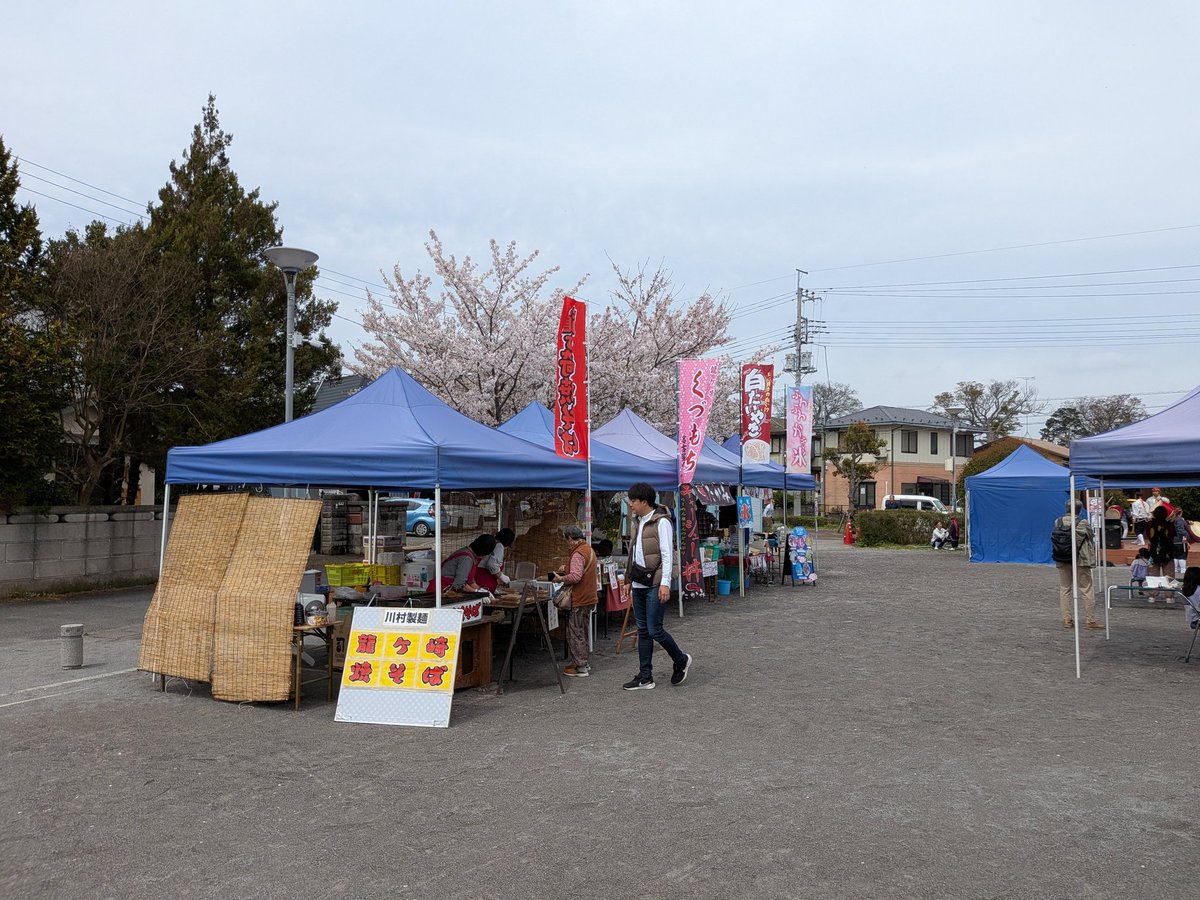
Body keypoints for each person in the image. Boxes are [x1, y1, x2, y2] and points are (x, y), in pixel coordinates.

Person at [622, 482, 692, 691]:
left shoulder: (661, 522)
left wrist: (665, 583)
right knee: (643, 630)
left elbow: (668, 555)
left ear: (644, 501)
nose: (631, 504)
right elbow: (633, 554)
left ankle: (680, 660)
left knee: (655, 630)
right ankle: (645, 676)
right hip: (639, 582)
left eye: (633, 500)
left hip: (655, 583)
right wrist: (628, 580)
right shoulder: (638, 522)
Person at [549, 524, 598, 677]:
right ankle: (584, 663)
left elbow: (576, 577)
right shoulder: (588, 549)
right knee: (582, 630)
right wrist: (567, 568)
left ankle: (580, 666)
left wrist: (561, 578)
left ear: (570, 538)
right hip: (589, 596)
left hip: (579, 597)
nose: (566, 543)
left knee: (575, 632)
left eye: (566, 540)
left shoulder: (577, 554)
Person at [1053, 499, 1102, 630]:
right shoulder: (1083, 523)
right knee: (1086, 589)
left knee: (1065, 589)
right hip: (1081, 559)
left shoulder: (1058, 521)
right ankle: (1090, 620)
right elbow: (1091, 536)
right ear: (1080, 510)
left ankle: (1067, 620)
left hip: (1062, 558)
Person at [1144, 505, 1175, 601]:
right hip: (1167, 553)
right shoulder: (1170, 525)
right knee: (1169, 575)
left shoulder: (1149, 524)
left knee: (1153, 575)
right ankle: (1169, 597)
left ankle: (1152, 595)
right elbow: (1172, 537)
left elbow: (1148, 536)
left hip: (1153, 552)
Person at [475, 528, 515, 593]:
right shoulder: (499, 546)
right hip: (484, 579)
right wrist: (502, 576)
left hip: (478, 577)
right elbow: (492, 564)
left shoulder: (493, 543)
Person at [1170, 507, 1189, 577]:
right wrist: (1186, 537)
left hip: (1173, 541)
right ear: (1181, 513)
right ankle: (1183, 570)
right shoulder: (1179, 520)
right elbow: (1181, 530)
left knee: (1175, 555)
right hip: (1180, 540)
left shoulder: (1172, 520)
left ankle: (1175, 569)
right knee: (1182, 555)